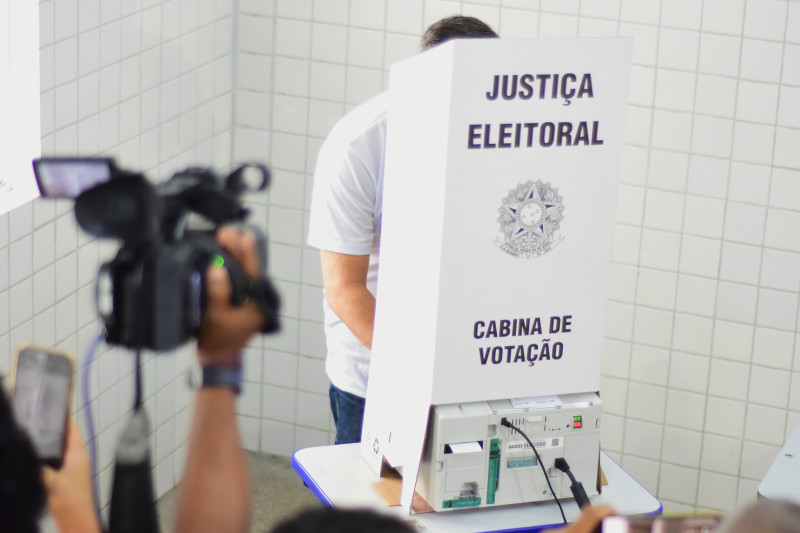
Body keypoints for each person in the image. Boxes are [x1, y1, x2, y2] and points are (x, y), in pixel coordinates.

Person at [307, 15, 499, 445]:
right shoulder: (360, 146)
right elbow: (344, 288)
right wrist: (421, 371)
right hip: (378, 373)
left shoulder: (498, 132)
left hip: (469, 365)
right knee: (371, 506)